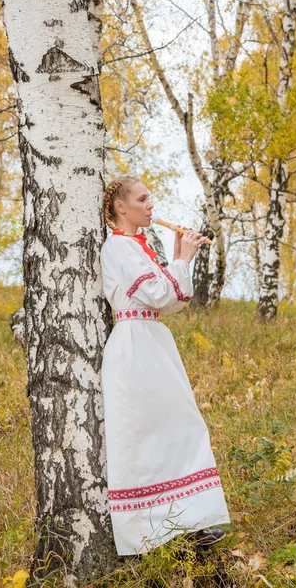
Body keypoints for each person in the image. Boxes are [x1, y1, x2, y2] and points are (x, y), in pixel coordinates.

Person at [100, 175, 230, 557]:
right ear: (121, 207)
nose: (150, 206)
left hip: (153, 342)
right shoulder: (118, 248)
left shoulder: (139, 248)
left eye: (150, 198)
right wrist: (181, 260)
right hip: (134, 347)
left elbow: (174, 300)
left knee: (181, 427)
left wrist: (177, 260)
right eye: (142, 199)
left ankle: (191, 521)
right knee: (144, 437)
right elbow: (158, 292)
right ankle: (148, 533)